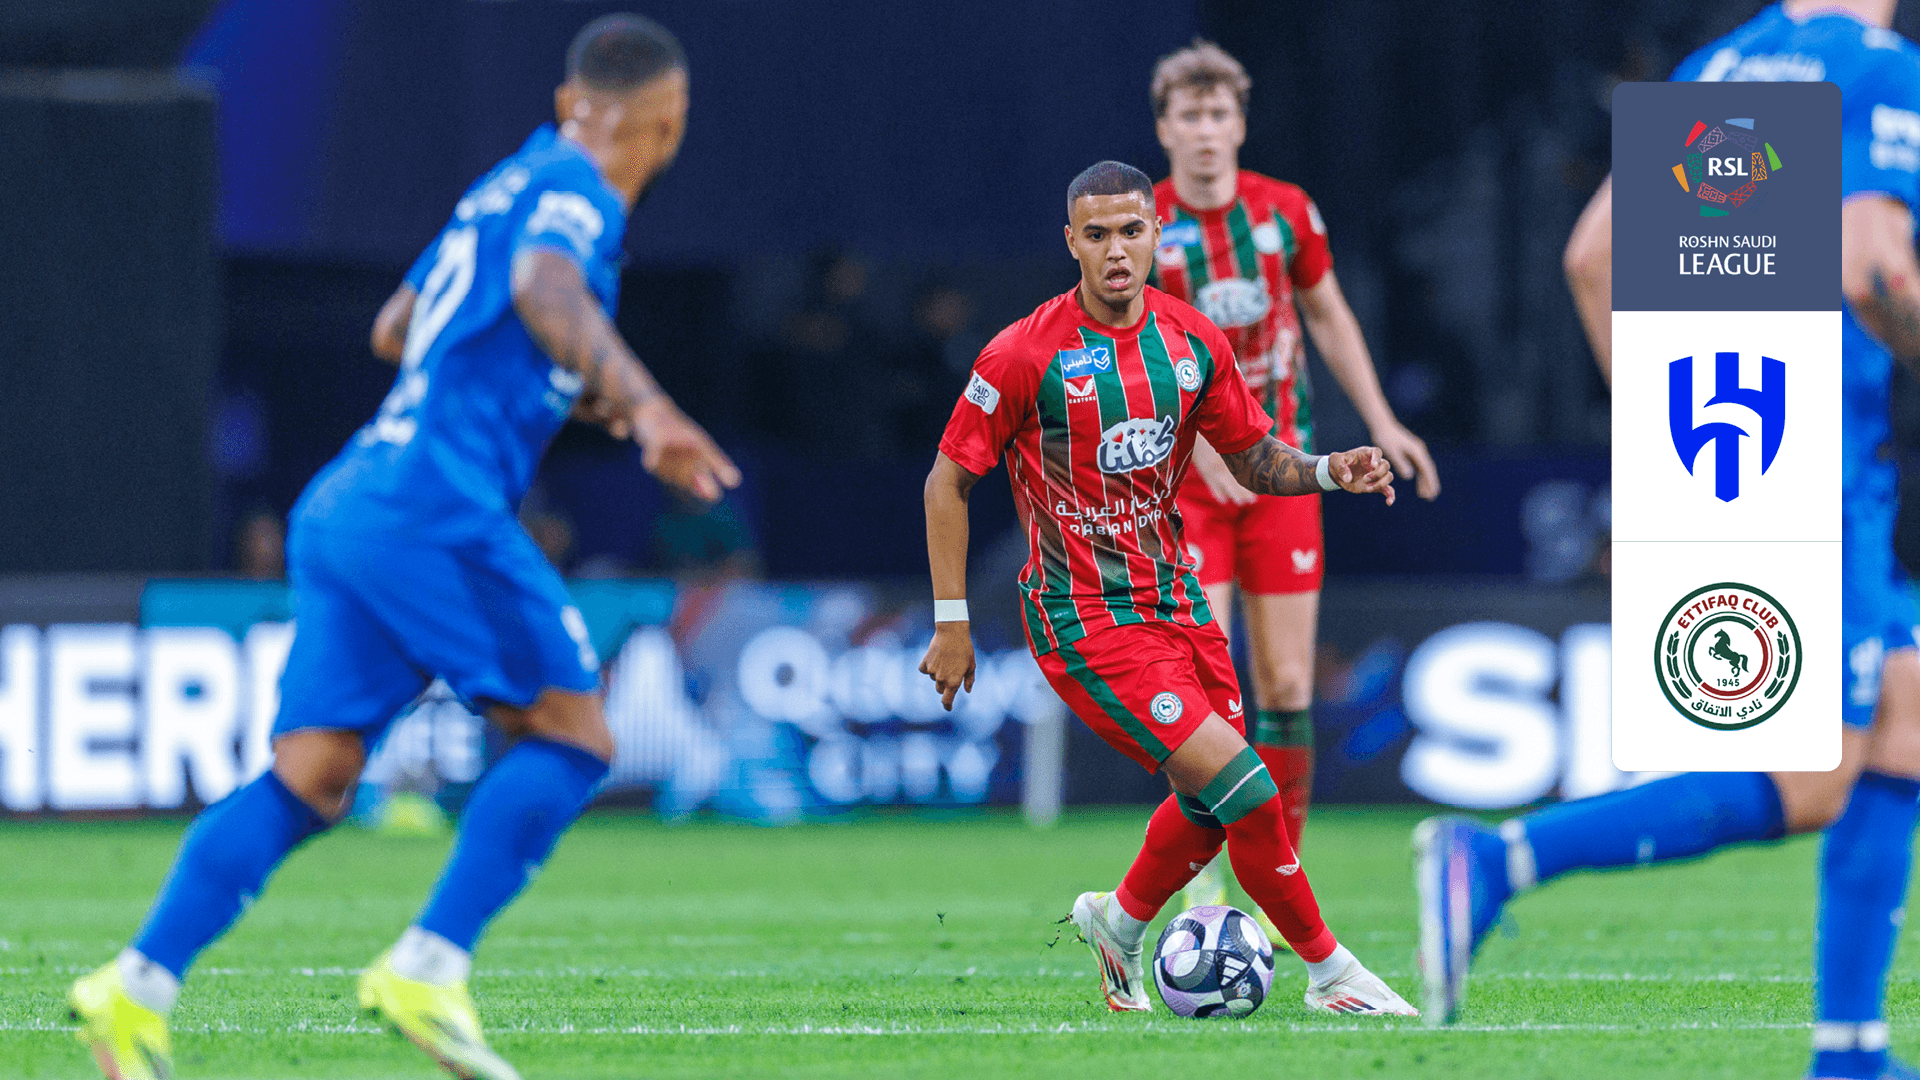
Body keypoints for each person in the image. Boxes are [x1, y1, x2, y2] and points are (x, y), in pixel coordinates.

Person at [66, 15, 738, 1080]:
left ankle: (133, 989)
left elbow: (397, 326)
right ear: (670, 121)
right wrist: (647, 406)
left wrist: (564, 386)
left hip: (353, 500)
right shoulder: (577, 194)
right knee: (572, 734)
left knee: (313, 774)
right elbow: (545, 290)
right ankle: (429, 965)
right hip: (433, 505)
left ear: (569, 99)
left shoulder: (503, 184)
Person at [1421, 5, 1920, 1076]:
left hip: (1739, 445)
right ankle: (1499, 858)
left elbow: (1593, 257)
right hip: (1830, 462)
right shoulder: (1875, 68)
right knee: (1815, 780)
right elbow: (1875, 270)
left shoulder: (1726, 66)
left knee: (1907, 711)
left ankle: (1851, 1052)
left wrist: (1663, 430)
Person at [919, 159, 1416, 1017]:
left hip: (1177, 603)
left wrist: (1329, 470)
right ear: (1071, 242)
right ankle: (1333, 974)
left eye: (1131, 231)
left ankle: (1117, 922)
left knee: (1209, 803)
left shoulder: (1191, 342)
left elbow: (1253, 459)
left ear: (1157, 234)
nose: (1116, 250)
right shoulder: (1023, 352)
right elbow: (947, 481)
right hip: (1084, 618)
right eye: (1097, 234)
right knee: (1248, 790)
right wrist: (951, 622)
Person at [1145, 40, 1442, 918]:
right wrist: (1204, 449)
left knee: (1284, 684)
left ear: (1241, 124)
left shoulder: (1285, 212)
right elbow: (1130, 353)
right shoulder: (1142, 224)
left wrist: (1383, 421)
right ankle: (1201, 883)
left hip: (1284, 476)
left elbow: (1327, 313)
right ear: (1165, 129)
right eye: (1190, 116)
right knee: (1199, 689)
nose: (1206, 131)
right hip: (1188, 488)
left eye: (1219, 114)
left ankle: (1276, 879)